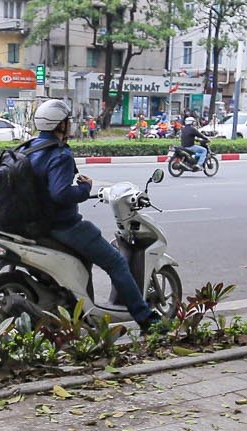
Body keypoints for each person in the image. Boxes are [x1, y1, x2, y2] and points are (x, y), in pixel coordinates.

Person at [24, 99, 162, 330]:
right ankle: (145, 317)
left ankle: (82, 312)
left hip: (34, 224)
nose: (70, 125)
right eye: (67, 122)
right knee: (116, 262)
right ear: (60, 125)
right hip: (63, 226)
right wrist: (85, 189)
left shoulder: (29, 148)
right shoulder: (60, 154)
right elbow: (60, 194)